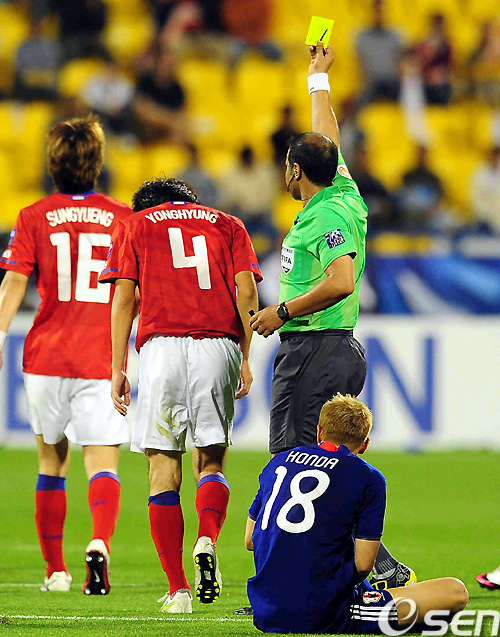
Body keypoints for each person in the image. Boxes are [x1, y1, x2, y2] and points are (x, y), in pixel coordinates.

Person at [249, 41, 413, 590]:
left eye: (287, 164)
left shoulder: (324, 217)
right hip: (335, 347)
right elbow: (328, 139)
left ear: (295, 170)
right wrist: (317, 79)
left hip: (313, 348)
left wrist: (282, 310)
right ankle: (375, 566)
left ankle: (292, 580)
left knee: (289, 465)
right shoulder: (342, 190)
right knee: (326, 470)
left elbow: (341, 280)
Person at [98, 176, 261, 613]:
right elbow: (247, 291)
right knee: (211, 462)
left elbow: (124, 299)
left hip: (161, 349)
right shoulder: (228, 224)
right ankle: (207, 538)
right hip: (218, 345)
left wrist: (117, 368)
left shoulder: (135, 225)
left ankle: (179, 590)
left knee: (162, 469)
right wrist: (244, 356)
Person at [0, 116, 132, 594]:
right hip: (101, 357)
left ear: (52, 164)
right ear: (97, 164)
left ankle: (55, 571)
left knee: (51, 464)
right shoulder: (123, 217)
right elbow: (133, 290)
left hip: (46, 356)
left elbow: (14, 281)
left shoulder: (33, 215)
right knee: (102, 463)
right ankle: (99, 541)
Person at [245, 393, 469, 634]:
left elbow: (250, 540)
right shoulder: (368, 477)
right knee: (454, 592)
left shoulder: (279, 462)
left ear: (319, 432)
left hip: (265, 609)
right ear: (365, 444)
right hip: (323, 611)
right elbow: (363, 565)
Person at [356, 0, 403, 106]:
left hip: (392, 82)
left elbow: (401, 62)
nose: (379, 15)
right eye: (377, 12)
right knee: (361, 100)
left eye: (381, 11)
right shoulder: (362, 37)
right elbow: (360, 66)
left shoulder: (395, 36)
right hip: (372, 83)